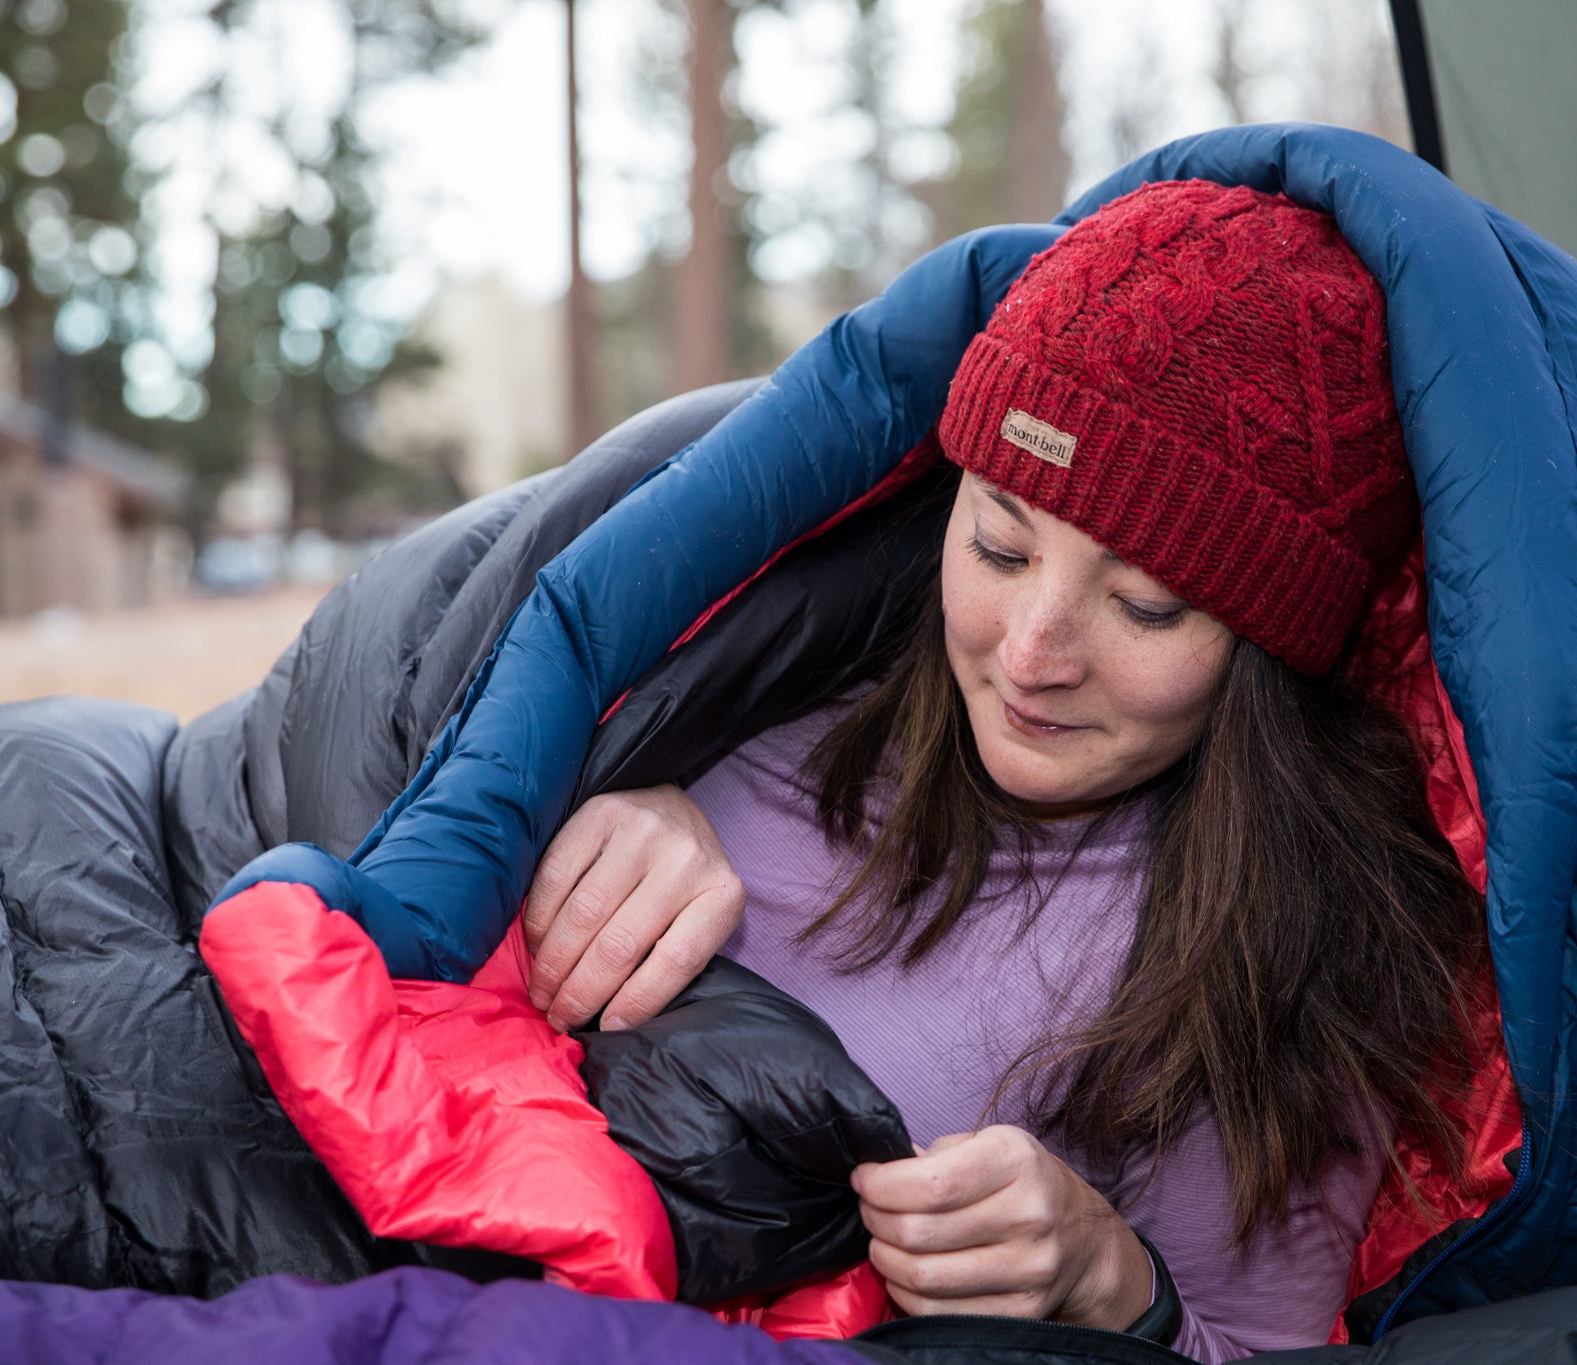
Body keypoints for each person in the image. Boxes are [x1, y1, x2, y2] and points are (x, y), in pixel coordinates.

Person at [516, 181, 1488, 1358]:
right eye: (999, 544)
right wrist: (609, 789)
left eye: (1145, 605)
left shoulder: (1283, 958)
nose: (1030, 654)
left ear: (1266, 651)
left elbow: (1260, 1347)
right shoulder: (761, 689)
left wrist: (1111, 1282)